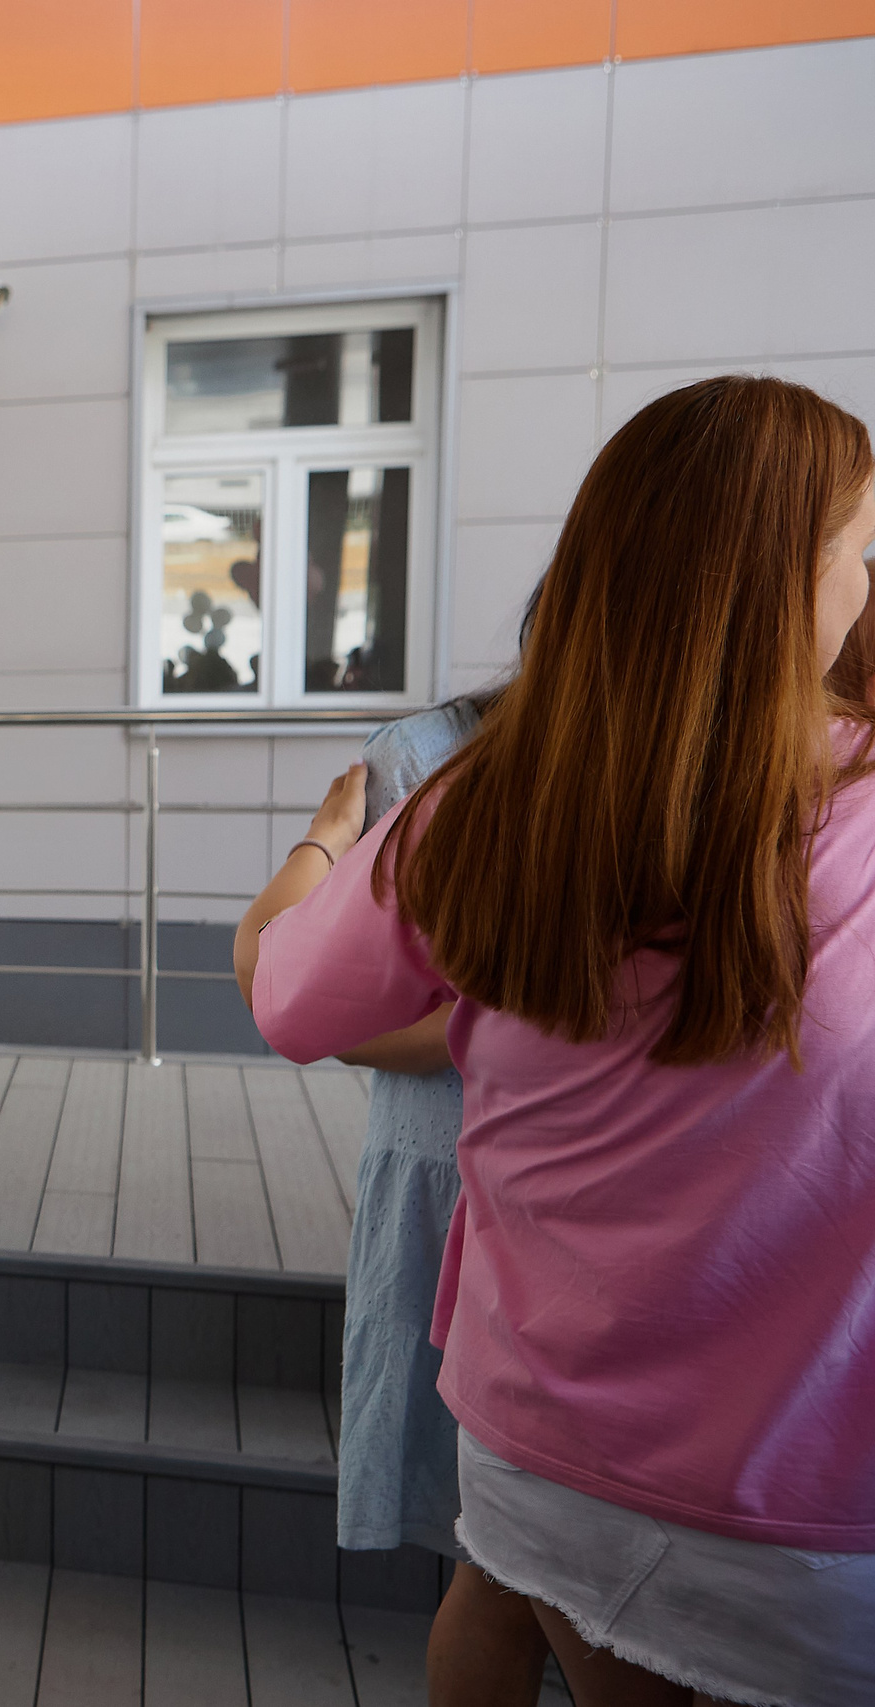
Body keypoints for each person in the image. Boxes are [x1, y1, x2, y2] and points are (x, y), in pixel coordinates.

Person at [235, 374, 875, 1706]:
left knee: (520, 1627)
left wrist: (318, 842)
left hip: (539, 1438)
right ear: (790, 583)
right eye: (862, 552)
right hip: (800, 1490)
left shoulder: (483, 796)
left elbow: (287, 998)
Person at [331, 690, 553, 1705]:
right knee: (499, 1565)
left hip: (585, 1202)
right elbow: (331, 1005)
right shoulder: (431, 757)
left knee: (508, 1564)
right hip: (467, 1173)